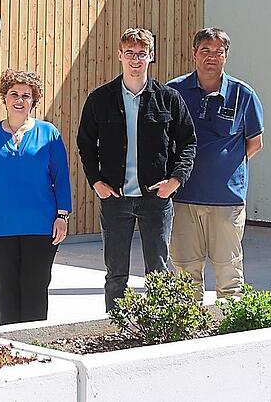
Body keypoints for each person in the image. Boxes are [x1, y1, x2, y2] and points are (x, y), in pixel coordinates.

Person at [77, 28, 196, 311]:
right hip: (115, 199)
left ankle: (159, 330)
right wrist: (96, 182)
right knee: (116, 274)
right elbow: (85, 144)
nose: (135, 59)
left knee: (158, 271)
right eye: (129, 53)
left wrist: (175, 180)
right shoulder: (100, 99)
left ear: (151, 57)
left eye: (141, 54)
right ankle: (117, 329)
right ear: (119, 56)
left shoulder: (168, 98)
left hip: (156, 198)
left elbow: (188, 142)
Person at [0, 69, 72, 325]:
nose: (19, 99)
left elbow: (61, 178)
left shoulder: (49, 134)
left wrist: (62, 216)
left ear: (33, 101)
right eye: (14, 93)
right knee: (7, 289)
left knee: (36, 287)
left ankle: (36, 347)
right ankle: (11, 347)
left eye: (26, 95)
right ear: (4, 98)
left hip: (41, 226)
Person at [168, 28, 264, 299]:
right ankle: (188, 335)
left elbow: (254, 143)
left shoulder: (242, 94)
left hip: (227, 201)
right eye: (205, 51)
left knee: (228, 274)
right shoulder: (174, 91)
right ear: (194, 54)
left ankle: (229, 334)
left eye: (218, 51)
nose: (212, 57)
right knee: (185, 275)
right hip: (184, 199)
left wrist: (224, 168)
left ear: (226, 56)